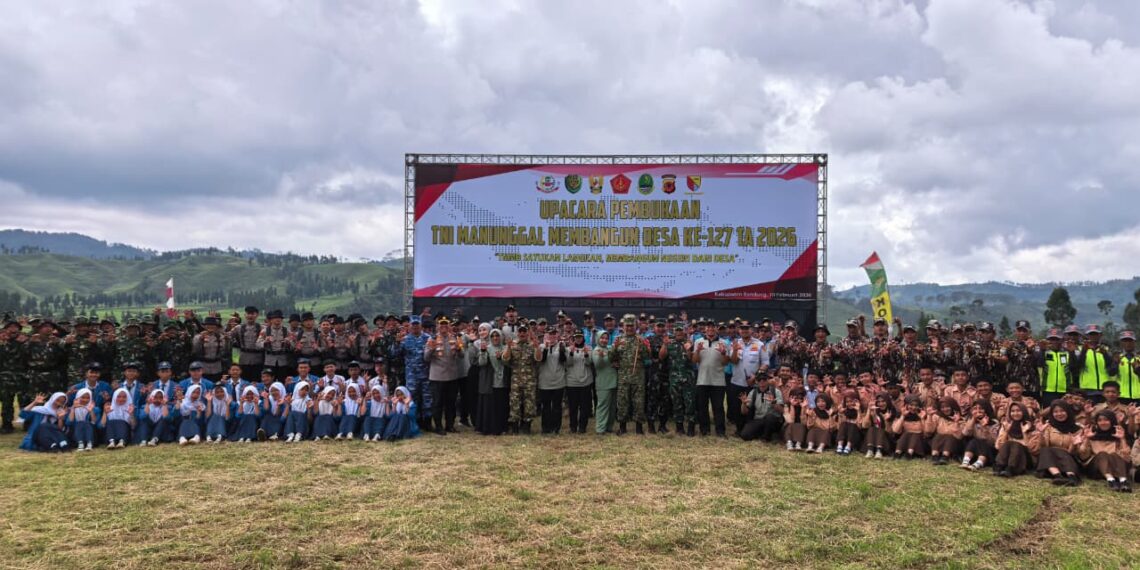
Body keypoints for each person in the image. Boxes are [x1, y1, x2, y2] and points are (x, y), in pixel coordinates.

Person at [424, 316, 465, 435]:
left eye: (446, 325)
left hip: (452, 376)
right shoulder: (432, 339)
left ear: (449, 326)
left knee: (451, 403)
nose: (443, 327)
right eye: (441, 325)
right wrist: (431, 349)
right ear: (437, 326)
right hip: (437, 377)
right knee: (437, 403)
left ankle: (450, 425)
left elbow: (462, 355)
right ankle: (438, 426)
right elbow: (426, 358)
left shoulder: (455, 338)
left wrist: (459, 349)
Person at [612, 315, 650, 435]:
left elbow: (647, 358)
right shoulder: (618, 340)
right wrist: (614, 348)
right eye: (627, 326)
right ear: (623, 326)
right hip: (623, 376)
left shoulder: (641, 340)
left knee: (638, 402)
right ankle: (622, 427)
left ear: (636, 326)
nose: (629, 328)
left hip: (638, 376)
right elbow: (611, 358)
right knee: (622, 402)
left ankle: (639, 427)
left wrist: (645, 348)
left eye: (631, 326)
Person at [1078, 410, 1131, 492]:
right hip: (1096, 470)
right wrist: (1087, 438)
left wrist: (1122, 439)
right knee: (1102, 454)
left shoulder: (1117, 435)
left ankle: (1123, 481)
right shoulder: (1092, 435)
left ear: (1112, 421)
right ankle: (1111, 480)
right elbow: (1083, 455)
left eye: (1106, 420)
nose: (1103, 422)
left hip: (1115, 468)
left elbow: (1126, 457)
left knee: (1114, 454)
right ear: (1096, 423)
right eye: (1100, 420)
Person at [692, 319, 728, 437]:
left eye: (713, 327)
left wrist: (723, 353)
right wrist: (697, 351)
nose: (710, 329)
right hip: (702, 379)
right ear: (705, 329)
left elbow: (725, 363)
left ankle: (720, 431)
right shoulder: (698, 341)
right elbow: (695, 360)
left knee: (718, 407)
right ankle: (704, 430)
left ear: (716, 328)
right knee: (702, 407)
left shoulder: (723, 342)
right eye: (708, 327)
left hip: (718, 380)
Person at [1035, 401, 1083, 486]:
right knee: (1045, 450)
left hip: (1069, 457)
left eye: (1062, 411)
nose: (1059, 414)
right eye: (1055, 412)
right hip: (1050, 460)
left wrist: (1074, 444)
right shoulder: (1048, 427)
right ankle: (1058, 476)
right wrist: (1041, 434)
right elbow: (1043, 446)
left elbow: (1077, 453)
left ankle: (1072, 477)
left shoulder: (1078, 429)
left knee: (1064, 453)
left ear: (1068, 411)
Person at [472, 329, 510, 436]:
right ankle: (489, 428)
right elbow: (481, 363)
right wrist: (483, 352)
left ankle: (502, 427)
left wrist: (501, 358)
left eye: (497, 336)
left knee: (502, 405)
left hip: (503, 381)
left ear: (500, 337)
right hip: (490, 381)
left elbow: (509, 364)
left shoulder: (505, 348)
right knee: (491, 405)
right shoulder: (487, 348)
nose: (495, 338)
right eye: (492, 336)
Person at [660, 325, 696, 436]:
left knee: (690, 403)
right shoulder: (670, 343)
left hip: (688, 378)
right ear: (674, 332)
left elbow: (693, 360)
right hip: (674, 379)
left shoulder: (690, 343)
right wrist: (664, 345)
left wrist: (688, 350)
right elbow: (661, 356)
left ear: (684, 332)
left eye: (681, 330)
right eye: (677, 330)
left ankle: (691, 427)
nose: (679, 332)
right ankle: (679, 427)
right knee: (677, 403)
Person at [503, 323, 538, 434]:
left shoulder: (532, 345)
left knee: (529, 404)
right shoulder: (512, 345)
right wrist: (508, 347)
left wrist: (537, 347)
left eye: (524, 331)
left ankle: (527, 426)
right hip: (516, 380)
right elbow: (505, 359)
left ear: (527, 333)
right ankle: (514, 427)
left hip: (529, 381)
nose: (522, 333)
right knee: (514, 403)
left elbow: (538, 359)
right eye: (520, 331)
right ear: (517, 333)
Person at [1071, 324, 1118, 402]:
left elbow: (1112, 369)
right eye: (1091, 334)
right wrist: (1084, 351)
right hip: (1087, 389)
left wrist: (1105, 354)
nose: (1093, 337)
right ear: (1087, 336)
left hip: (1104, 389)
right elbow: (1077, 367)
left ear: (1100, 335)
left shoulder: (1106, 350)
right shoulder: (1079, 350)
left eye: (1095, 334)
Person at [993, 403, 1039, 477]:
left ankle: (1011, 468)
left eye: (1018, 411)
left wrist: (1024, 433)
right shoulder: (1007, 425)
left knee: (1016, 444)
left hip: (1026, 459)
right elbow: (998, 447)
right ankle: (999, 467)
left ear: (1024, 412)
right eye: (1013, 411)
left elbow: (1033, 450)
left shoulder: (1031, 427)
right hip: (1007, 459)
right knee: (1009, 443)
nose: (1015, 413)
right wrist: (1006, 431)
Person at [535, 330, 567, 435]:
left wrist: (562, 350)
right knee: (546, 407)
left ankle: (556, 428)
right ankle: (545, 428)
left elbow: (563, 360)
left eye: (554, 334)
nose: (552, 337)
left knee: (557, 406)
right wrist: (545, 348)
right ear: (545, 336)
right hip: (545, 382)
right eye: (550, 334)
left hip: (558, 381)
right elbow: (541, 360)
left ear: (557, 336)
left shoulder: (562, 346)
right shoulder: (541, 347)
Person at [739, 373, 783, 442]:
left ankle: (766, 438)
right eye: (759, 379)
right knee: (745, 435)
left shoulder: (776, 392)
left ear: (768, 380)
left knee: (770, 417)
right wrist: (743, 404)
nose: (762, 381)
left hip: (773, 420)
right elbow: (744, 412)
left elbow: (781, 411)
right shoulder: (753, 393)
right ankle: (764, 434)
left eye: (764, 379)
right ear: (756, 381)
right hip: (758, 419)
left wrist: (774, 403)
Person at [564, 332, 593, 434]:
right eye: (576, 337)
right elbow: (568, 363)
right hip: (572, 382)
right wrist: (571, 353)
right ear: (574, 338)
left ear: (583, 338)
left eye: (580, 337)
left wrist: (586, 354)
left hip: (586, 382)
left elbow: (589, 363)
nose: (578, 339)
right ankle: (573, 427)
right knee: (573, 407)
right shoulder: (568, 349)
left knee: (585, 407)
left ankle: (582, 427)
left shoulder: (589, 348)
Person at [960, 399, 999, 471]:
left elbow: (993, 442)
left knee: (983, 442)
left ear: (986, 409)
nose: (978, 411)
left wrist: (985, 427)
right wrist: (973, 420)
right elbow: (965, 433)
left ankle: (978, 464)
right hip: (974, 449)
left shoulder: (994, 422)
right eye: (975, 408)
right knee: (973, 441)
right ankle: (965, 462)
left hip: (989, 451)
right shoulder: (971, 420)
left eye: (981, 408)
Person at [592, 331, 617, 435]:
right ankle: (600, 429)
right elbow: (597, 365)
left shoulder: (610, 348)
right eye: (602, 338)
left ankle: (609, 427)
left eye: (606, 338)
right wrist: (601, 357)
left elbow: (616, 358)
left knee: (612, 407)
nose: (604, 340)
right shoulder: (596, 350)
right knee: (603, 406)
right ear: (598, 339)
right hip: (603, 383)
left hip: (614, 382)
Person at [860, 393, 896, 459]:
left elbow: (891, 432)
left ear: (887, 401)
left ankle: (879, 451)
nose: (881, 404)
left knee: (880, 430)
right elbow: (864, 426)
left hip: (885, 443)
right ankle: (870, 451)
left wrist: (886, 420)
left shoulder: (892, 412)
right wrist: (869, 410)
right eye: (878, 402)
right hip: (872, 442)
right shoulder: (875, 411)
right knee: (871, 428)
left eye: (883, 401)